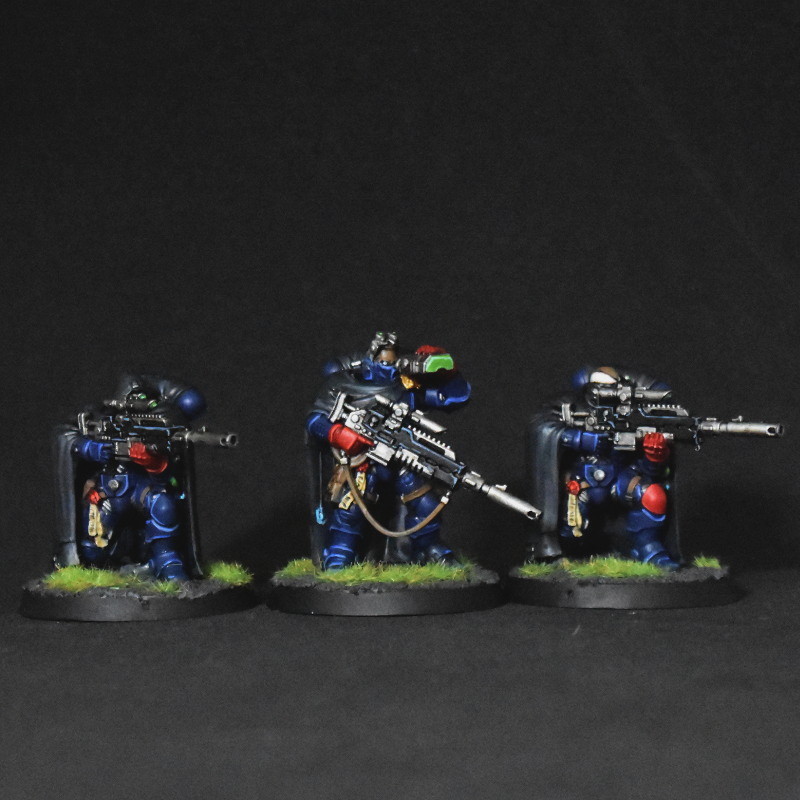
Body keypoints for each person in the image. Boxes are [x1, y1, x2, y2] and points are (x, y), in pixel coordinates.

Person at [306, 331, 471, 570]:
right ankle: (338, 557)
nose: (388, 365)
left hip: (400, 457)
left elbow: (456, 397)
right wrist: (338, 434)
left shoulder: (406, 384)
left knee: (426, 504)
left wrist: (445, 370)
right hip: (362, 461)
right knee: (350, 510)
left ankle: (431, 550)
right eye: (383, 360)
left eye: (392, 360)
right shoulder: (342, 384)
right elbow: (315, 421)